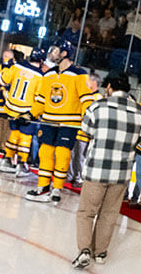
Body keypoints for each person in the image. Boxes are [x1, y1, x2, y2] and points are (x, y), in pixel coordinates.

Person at [71, 73, 141, 268]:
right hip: (121, 173)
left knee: (87, 211)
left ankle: (85, 250)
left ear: (110, 87)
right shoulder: (140, 112)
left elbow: (86, 130)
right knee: (109, 214)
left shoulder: (97, 106)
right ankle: (101, 253)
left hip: (97, 170)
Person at [25, 39, 98, 204]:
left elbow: (87, 100)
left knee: (62, 154)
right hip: (49, 120)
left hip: (68, 123)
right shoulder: (49, 74)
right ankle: (43, 187)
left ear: (65, 54)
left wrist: (88, 119)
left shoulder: (80, 75)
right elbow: (41, 100)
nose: (52, 53)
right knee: (45, 153)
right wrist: (30, 114)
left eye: (55, 50)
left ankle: (57, 188)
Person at [0, 48, 43, 178]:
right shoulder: (40, 76)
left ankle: (7, 159)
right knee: (25, 136)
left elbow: (3, 80)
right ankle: (22, 163)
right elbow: (39, 98)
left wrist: (7, 66)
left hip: (12, 107)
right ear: (41, 61)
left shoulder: (17, 67)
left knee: (14, 134)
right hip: (26, 110)